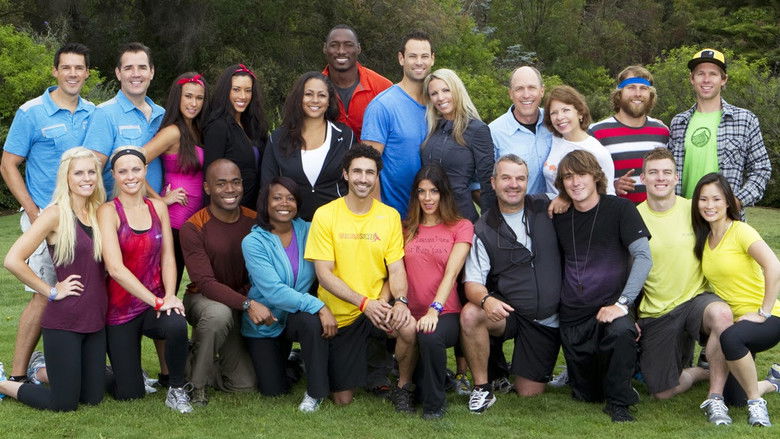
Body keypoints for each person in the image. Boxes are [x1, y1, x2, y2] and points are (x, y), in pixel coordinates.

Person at [0, 43, 95, 385]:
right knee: (44, 294)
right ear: (55, 71)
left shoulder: (93, 113)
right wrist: (33, 211)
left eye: (79, 68)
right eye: (66, 67)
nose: (72, 73)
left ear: (87, 73)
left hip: (83, 219)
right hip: (46, 218)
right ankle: (16, 374)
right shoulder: (31, 112)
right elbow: (8, 164)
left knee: (86, 290)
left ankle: (70, 361)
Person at [304, 144, 417, 410]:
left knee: (408, 327)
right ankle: (362, 368)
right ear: (345, 174)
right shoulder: (325, 214)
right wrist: (365, 303)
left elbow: (395, 269)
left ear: (377, 176)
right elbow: (324, 274)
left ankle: (403, 386)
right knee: (342, 399)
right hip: (343, 313)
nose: (363, 178)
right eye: (357, 171)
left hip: (379, 305)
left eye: (370, 172)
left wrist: (398, 301)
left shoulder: (389, 216)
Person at [0, 148, 106, 411]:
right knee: (63, 403)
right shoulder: (55, 214)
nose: (86, 178)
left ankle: (40, 371)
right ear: (66, 177)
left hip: (95, 319)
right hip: (64, 321)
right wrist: (50, 291)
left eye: (91, 172)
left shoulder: (100, 212)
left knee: (93, 397)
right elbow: (13, 259)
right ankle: (3, 383)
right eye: (78, 173)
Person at [635, 148, 735, 425]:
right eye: (653, 172)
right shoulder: (633, 216)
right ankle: (701, 371)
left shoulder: (694, 209)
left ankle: (715, 397)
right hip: (657, 311)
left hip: (695, 301)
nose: (661, 178)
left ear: (676, 177)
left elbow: (728, 234)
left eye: (667, 172)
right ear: (643, 178)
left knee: (722, 315)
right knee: (663, 392)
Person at [552, 149, 652, 422]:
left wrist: (623, 304)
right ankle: (610, 380)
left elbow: (643, 257)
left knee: (621, 332)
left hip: (610, 307)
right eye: (568, 177)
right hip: (573, 315)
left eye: (581, 174)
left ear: (596, 176)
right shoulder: (559, 215)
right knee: (588, 394)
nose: (575, 182)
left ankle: (620, 403)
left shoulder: (621, 209)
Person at [460, 154, 563, 413]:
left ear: (528, 181)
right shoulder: (483, 228)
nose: (513, 185)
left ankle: (515, 370)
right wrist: (486, 300)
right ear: (493, 182)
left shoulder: (547, 204)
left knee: (529, 393)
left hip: (548, 320)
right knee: (471, 314)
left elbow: (584, 198)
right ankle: (482, 388)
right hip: (512, 313)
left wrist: (565, 198)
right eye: (506, 178)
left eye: (520, 178)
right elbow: (472, 283)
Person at [97, 146, 192, 413]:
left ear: (145, 171)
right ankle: (101, 370)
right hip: (120, 311)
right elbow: (115, 268)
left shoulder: (158, 206)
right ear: (114, 175)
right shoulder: (108, 211)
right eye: (123, 171)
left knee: (176, 323)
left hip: (154, 305)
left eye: (136, 169)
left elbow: (168, 257)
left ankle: (176, 388)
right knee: (129, 393)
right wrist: (157, 301)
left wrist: (169, 295)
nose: (130, 176)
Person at [180, 159, 272, 405]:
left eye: (235, 182)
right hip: (204, 299)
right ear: (207, 188)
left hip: (240, 299)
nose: (230, 189)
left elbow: (261, 273)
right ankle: (196, 386)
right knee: (218, 314)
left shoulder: (255, 222)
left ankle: (194, 355)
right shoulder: (193, 227)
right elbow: (206, 283)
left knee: (244, 385)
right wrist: (247, 304)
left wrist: (245, 300)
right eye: (221, 184)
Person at [691, 173, 780, 427]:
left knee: (730, 336)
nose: (709, 205)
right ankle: (772, 382)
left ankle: (756, 404)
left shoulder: (741, 231)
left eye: (716, 199)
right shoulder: (704, 239)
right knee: (734, 398)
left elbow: (774, 266)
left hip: (768, 318)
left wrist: (763, 312)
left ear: (728, 202)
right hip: (737, 323)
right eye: (703, 199)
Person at [242, 177, 335, 412]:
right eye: (277, 198)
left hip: (296, 315)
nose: (284, 203)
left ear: (298, 203)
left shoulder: (310, 230)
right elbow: (274, 291)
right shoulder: (253, 242)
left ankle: (316, 392)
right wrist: (319, 305)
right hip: (266, 320)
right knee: (273, 390)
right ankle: (295, 361)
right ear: (265, 203)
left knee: (310, 321)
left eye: (291, 198)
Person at [402, 164, 473, 419]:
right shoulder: (406, 228)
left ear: (444, 193)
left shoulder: (461, 226)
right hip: (410, 312)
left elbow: (451, 274)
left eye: (434, 191)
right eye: (422, 191)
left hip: (445, 312)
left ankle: (434, 407)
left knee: (430, 335)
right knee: (420, 381)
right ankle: (420, 383)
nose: (428, 198)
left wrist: (434, 309)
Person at [668, 49, 771, 212]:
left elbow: (761, 168)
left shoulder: (745, 120)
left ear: (723, 80)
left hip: (724, 218)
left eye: (713, 74)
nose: (706, 79)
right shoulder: (678, 122)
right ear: (692, 79)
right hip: (684, 215)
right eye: (700, 74)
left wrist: (736, 201)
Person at [142, 72, 209, 293]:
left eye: (199, 98)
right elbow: (133, 163)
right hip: (174, 220)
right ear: (177, 97)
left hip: (193, 221)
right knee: (167, 284)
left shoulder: (196, 130)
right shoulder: (172, 132)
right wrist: (160, 200)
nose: (193, 103)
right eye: (188, 96)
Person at [261, 71, 355, 221]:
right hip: (291, 225)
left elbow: (356, 182)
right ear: (299, 98)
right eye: (308, 94)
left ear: (329, 100)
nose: (315, 100)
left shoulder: (345, 136)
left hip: (337, 224)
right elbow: (267, 186)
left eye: (322, 95)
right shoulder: (278, 138)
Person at [362, 30, 435, 218]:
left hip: (432, 218)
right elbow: (368, 166)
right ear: (401, 59)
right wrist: (379, 217)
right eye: (412, 56)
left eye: (424, 56)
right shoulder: (383, 106)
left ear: (432, 59)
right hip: (395, 217)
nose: (419, 62)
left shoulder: (438, 105)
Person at [84, 42, 165, 195]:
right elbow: (92, 171)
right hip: (118, 207)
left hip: (158, 207)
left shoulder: (162, 114)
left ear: (152, 72)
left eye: (142, 67)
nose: (136, 74)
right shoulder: (104, 113)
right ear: (118, 73)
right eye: (128, 68)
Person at [421, 68, 495, 222]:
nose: (440, 98)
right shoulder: (433, 128)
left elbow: (487, 181)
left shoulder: (477, 129)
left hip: (461, 216)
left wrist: (490, 222)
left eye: (446, 90)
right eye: (434, 93)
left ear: (457, 90)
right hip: (431, 217)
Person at [589, 66, 670, 203]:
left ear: (650, 95)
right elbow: (583, 178)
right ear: (619, 93)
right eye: (631, 87)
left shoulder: (663, 132)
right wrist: (611, 186)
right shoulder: (595, 133)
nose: (638, 93)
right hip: (616, 214)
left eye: (643, 88)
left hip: (657, 213)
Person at [203, 63, 269, 208]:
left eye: (248, 90)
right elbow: (210, 177)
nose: (243, 96)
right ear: (226, 91)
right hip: (228, 211)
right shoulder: (218, 127)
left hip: (254, 209)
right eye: (236, 90)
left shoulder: (254, 126)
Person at [488, 66, 553, 196]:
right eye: (519, 89)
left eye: (532, 87)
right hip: (518, 208)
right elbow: (481, 184)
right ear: (510, 93)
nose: (526, 95)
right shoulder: (494, 132)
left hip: (560, 207)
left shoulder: (555, 122)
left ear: (542, 91)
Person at [322, 24, 392, 142]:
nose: (341, 51)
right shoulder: (312, 90)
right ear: (325, 48)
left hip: (373, 154)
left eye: (348, 45)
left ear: (358, 48)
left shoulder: (383, 87)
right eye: (334, 45)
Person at [542, 85, 615, 198]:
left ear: (580, 113)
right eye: (554, 113)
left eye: (566, 110)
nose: (559, 117)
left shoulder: (597, 152)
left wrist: (564, 200)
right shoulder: (553, 140)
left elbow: (608, 194)